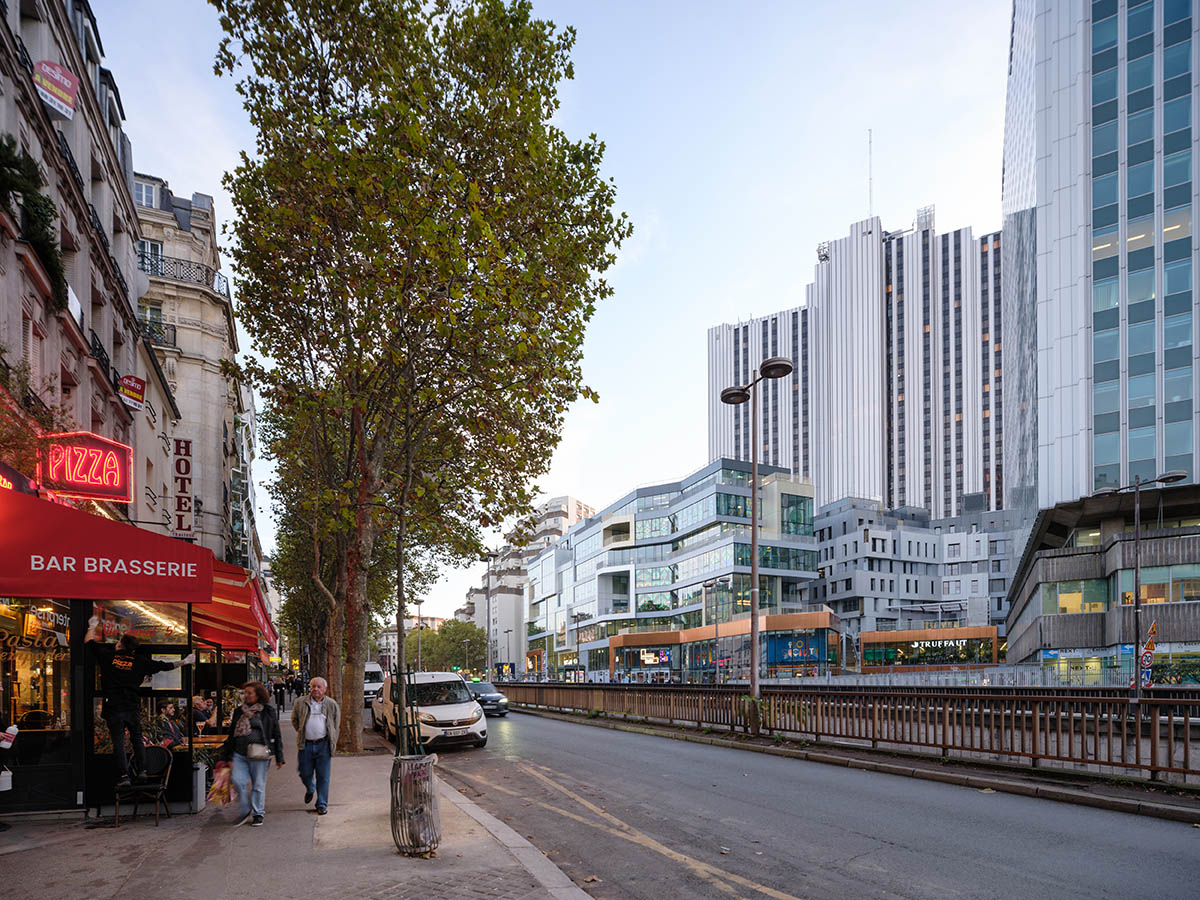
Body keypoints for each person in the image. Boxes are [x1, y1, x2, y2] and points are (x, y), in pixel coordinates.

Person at [84, 619, 195, 785]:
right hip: (132, 706)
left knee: (119, 743)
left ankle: (124, 777)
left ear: (120, 644)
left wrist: (92, 626)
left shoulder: (108, 657)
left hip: (113, 707)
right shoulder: (140, 662)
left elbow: (89, 642)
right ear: (133, 649)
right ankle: (142, 771)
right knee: (137, 740)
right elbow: (165, 666)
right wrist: (185, 661)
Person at [220, 681, 284, 826]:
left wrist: (279, 756)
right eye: (245, 693)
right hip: (239, 753)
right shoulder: (238, 711)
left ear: (258, 695)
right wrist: (227, 755)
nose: (246, 696)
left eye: (249, 693)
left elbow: (276, 733)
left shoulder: (267, 711)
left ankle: (258, 813)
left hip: (259, 753)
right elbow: (231, 734)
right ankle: (246, 806)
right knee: (237, 780)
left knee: (258, 785)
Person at [291, 676, 340, 816]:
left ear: (325, 689)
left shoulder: (331, 704)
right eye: (313, 686)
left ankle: (322, 804)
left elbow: (336, 724)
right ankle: (310, 787)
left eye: (319, 687)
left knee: (323, 776)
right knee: (304, 772)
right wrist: (302, 732)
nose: (316, 689)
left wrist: (332, 740)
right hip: (305, 745)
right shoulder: (301, 702)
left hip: (323, 745)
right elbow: (295, 720)